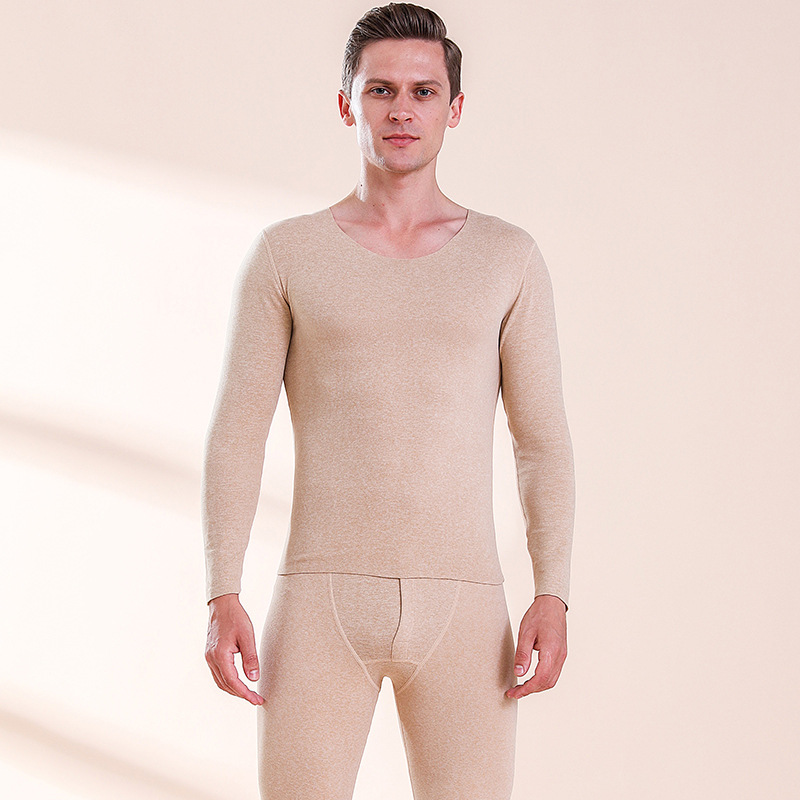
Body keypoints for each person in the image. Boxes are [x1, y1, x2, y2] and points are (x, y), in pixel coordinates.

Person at [202, 4, 575, 798]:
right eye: (381, 90)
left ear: (454, 108)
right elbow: (238, 431)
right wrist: (220, 589)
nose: (402, 109)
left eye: (423, 91)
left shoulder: (507, 258)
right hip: (319, 604)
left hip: (466, 612)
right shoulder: (288, 255)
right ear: (347, 104)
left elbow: (540, 441)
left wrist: (553, 590)